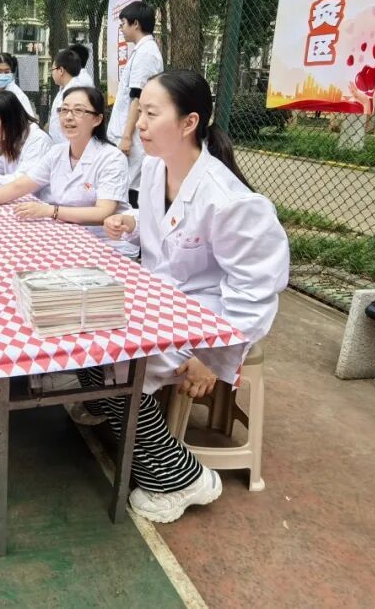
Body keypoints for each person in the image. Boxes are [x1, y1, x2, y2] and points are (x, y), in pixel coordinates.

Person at [94, 69, 289, 524]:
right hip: (160, 302)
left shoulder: (230, 200)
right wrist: (132, 223)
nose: (140, 124)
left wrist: (211, 355)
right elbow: (168, 230)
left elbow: (256, 290)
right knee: (87, 342)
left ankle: (182, 479)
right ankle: (127, 420)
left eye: (151, 114)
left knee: (117, 365)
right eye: (140, 112)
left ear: (189, 122)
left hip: (207, 319)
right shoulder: (155, 167)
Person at [0, 85, 138, 258]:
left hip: (105, 242)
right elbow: (21, 185)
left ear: (97, 119)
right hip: (68, 235)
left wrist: (50, 211)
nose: (68, 117)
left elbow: (103, 212)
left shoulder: (111, 158)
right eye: (64, 110)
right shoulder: (57, 153)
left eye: (78, 111)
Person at [106, 1, 163, 207]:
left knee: (128, 191)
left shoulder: (146, 54)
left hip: (131, 138)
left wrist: (127, 137)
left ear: (135, 23)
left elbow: (138, 98)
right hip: (126, 133)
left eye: (123, 23)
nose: (121, 29)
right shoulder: (141, 51)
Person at [47, 47, 91, 145]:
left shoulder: (75, 92)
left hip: (70, 146)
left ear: (61, 70)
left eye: (52, 69)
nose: (51, 73)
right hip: (60, 146)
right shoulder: (64, 89)